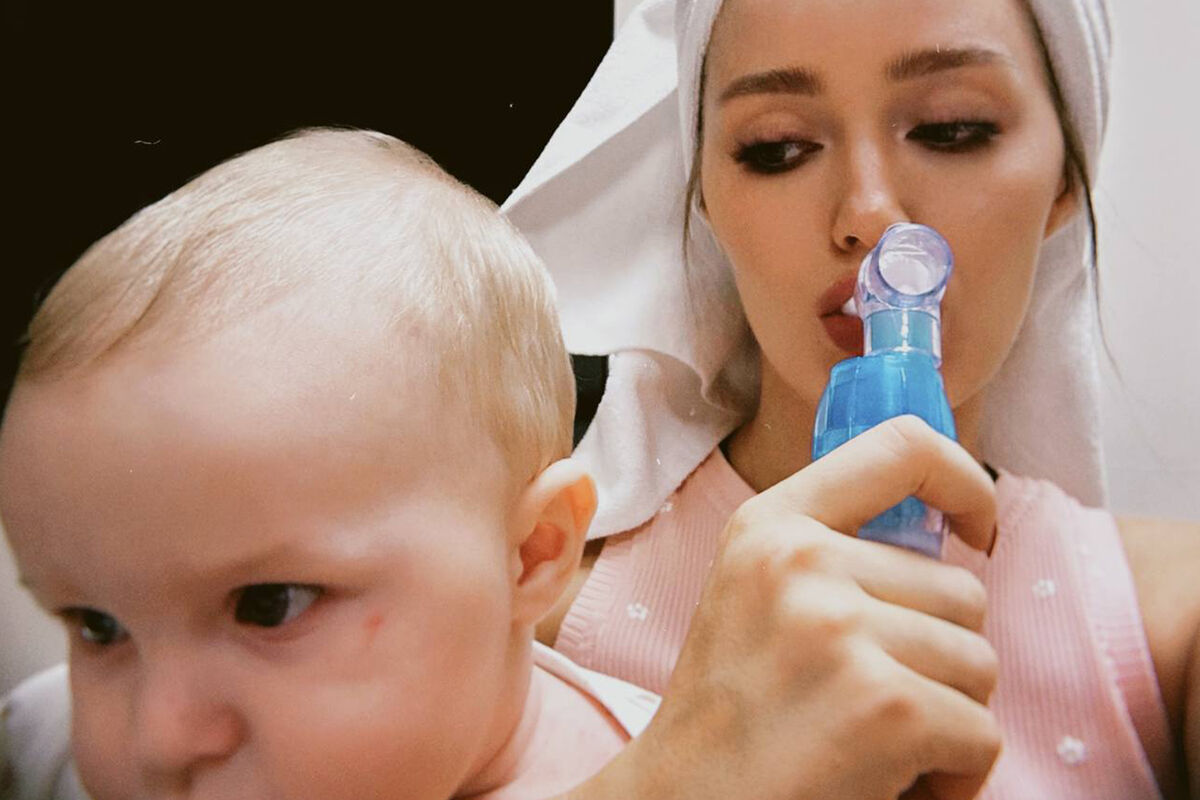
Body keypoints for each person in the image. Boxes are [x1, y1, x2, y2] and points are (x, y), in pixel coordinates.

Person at [504, 0, 1200, 797]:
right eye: (778, 148)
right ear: (705, 200)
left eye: (951, 129)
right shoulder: (533, 616)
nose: (869, 214)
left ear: (1066, 181)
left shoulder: (1172, 630)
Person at [0, 128, 664, 800]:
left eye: (268, 606)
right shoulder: (38, 747)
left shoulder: (689, 775)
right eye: (98, 626)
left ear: (532, 553)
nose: (160, 739)